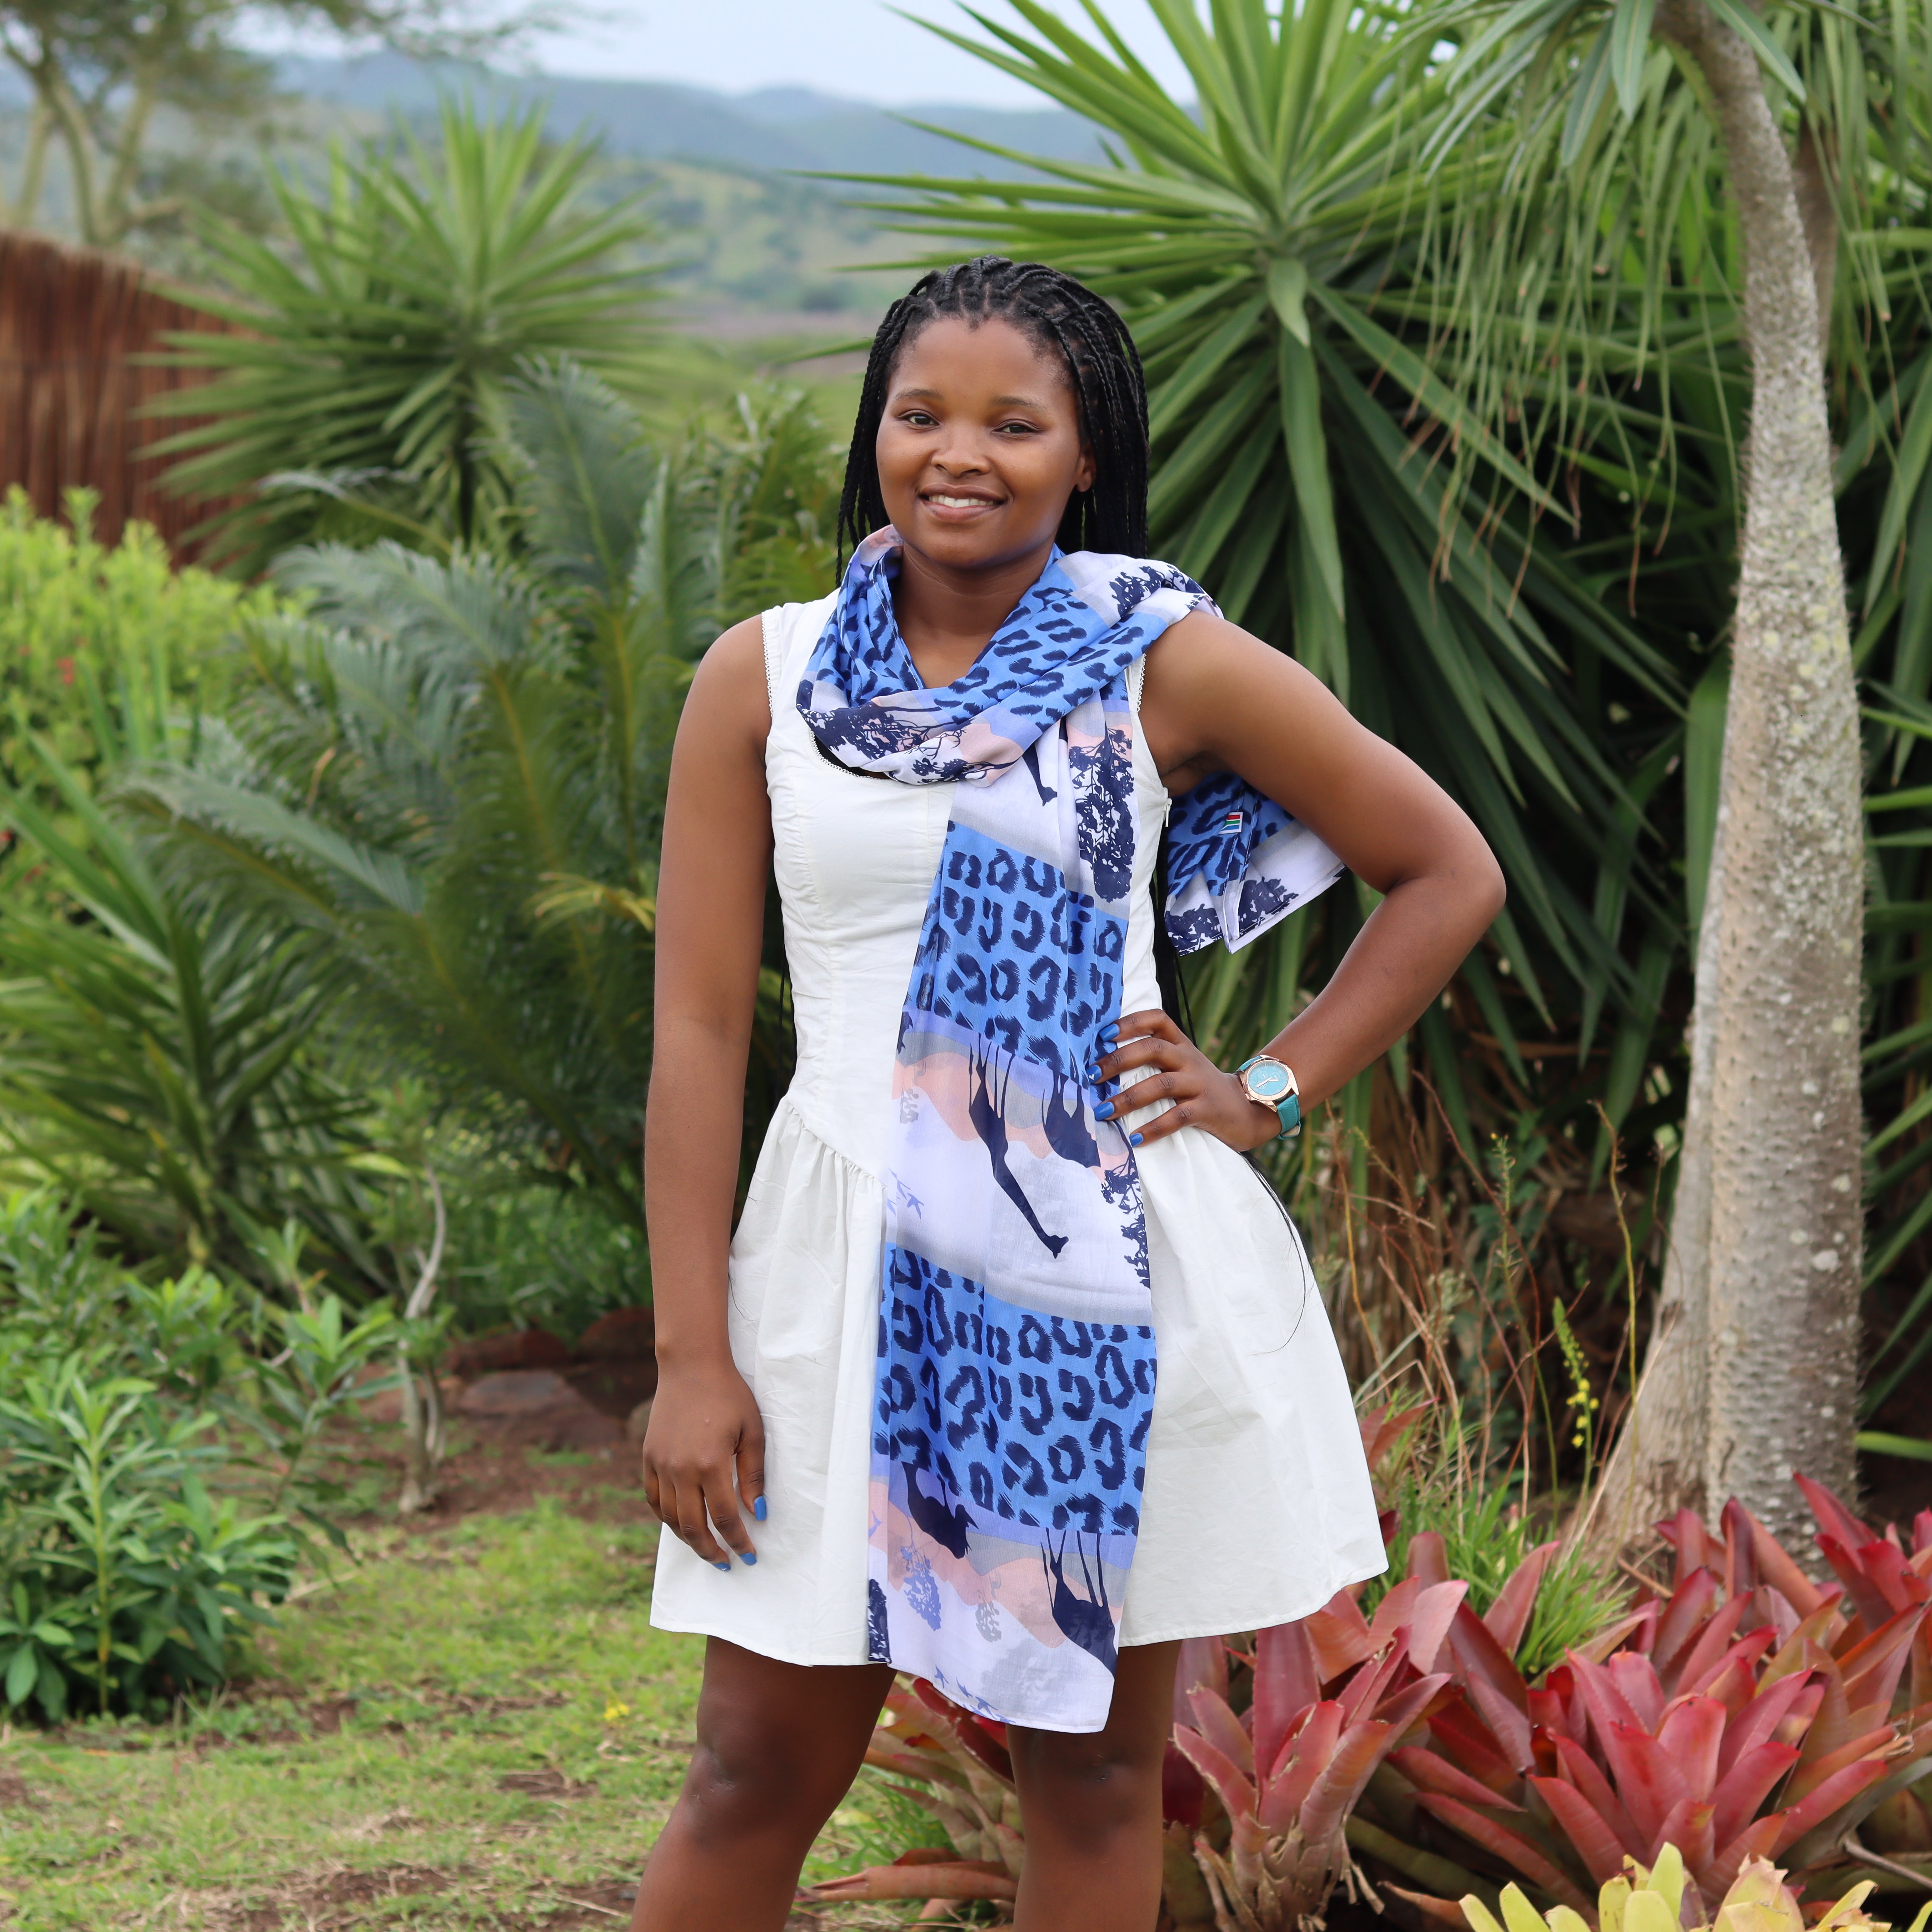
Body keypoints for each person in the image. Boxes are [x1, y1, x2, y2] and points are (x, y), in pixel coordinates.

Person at [632, 255, 1504, 1932]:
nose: (958, 452)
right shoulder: (764, 677)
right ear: (874, 435)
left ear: (1082, 451)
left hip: (1086, 1258)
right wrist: (688, 1353)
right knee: (751, 1758)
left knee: (1094, 1779)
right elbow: (691, 1032)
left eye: (1010, 422)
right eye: (919, 413)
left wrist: (1264, 1085)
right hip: (830, 1254)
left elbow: (1441, 866)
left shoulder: (1157, 661)